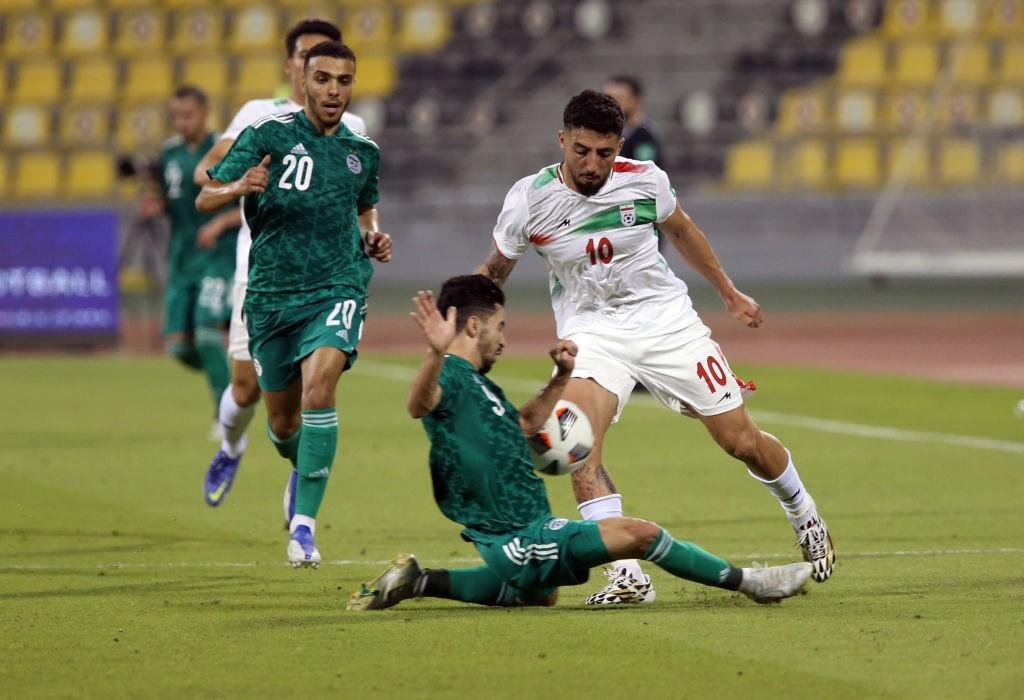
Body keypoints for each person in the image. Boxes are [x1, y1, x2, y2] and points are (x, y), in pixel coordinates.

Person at [474, 90, 835, 605]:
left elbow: (683, 230)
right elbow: (495, 270)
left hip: (668, 324)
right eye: (581, 150)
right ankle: (626, 574)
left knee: (741, 441)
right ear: (562, 141)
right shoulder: (529, 199)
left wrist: (729, 294)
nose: (592, 164)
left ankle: (806, 514)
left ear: (619, 145)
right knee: (578, 446)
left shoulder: (645, 180)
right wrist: (459, 318)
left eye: (604, 152)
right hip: (593, 332)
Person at [346, 276, 813, 611]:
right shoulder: (449, 375)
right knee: (641, 534)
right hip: (519, 537)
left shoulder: (479, 387)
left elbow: (526, 424)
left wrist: (563, 378)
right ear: (473, 327)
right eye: (501, 326)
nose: (504, 339)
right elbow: (418, 402)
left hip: (523, 529)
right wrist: (433, 352)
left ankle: (420, 580)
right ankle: (752, 583)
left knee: (539, 595)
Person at [196, 41, 392, 567]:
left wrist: (372, 236)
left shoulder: (362, 150)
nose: (333, 90)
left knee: (321, 386)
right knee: (283, 423)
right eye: (323, 79)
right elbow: (205, 194)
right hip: (270, 296)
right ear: (303, 82)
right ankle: (296, 462)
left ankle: (303, 527)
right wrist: (242, 183)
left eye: (343, 81)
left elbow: (366, 206)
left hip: (337, 286)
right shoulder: (268, 133)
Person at [146, 85, 239, 452]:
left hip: (218, 254)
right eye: (177, 116)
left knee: (206, 333)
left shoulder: (222, 149)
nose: (183, 122)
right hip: (183, 257)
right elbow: (171, 200)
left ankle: (224, 414)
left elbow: (250, 196)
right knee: (179, 346)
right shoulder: (168, 153)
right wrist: (157, 208)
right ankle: (236, 380)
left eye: (189, 114)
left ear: (205, 113)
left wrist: (220, 223)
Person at [604, 76, 664, 166]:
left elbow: (644, 171)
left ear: (636, 101)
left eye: (619, 98)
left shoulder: (645, 137)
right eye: (608, 98)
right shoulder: (607, 133)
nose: (611, 103)